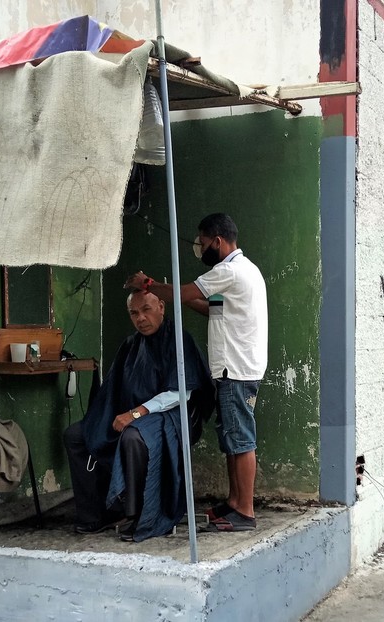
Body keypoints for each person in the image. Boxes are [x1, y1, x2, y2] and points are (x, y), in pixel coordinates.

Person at [125, 213, 268, 532]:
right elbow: (209, 307)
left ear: (217, 241)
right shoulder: (245, 270)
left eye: (202, 243)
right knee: (231, 438)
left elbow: (184, 292)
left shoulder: (228, 271)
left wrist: (148, 284)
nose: (200, 249)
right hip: (237, 368)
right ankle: (234, 503)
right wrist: (178, 296)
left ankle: (245, 511)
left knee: (241, 440)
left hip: (236, 369)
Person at [63, 290, 214, 541]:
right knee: (77, 435)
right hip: (133, 413)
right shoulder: (131, 344)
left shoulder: (179, 340)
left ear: (161, 307)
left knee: (133, 436)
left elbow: (180, 392)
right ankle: (99, 512)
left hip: (172, 417)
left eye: (146, 309)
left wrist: (135, 413)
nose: (141, 318)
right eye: (134, 313)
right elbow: (113, 390)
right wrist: (108, 417)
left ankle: (140, 515)